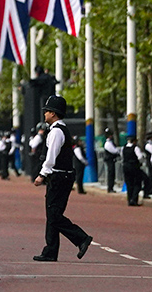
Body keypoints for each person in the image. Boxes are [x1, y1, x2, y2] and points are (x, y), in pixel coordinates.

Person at [32, 95, 93, 262]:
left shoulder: (57, 131)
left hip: (59, 176)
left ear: (54, 113)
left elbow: (51, 157)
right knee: (53, 213)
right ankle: (50, 251)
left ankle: (81, 238)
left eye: (47, 111)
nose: (44, 114)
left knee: (53, 214)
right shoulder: (59, 130)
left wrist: (42, 174)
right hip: (61, 176)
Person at [122, 136, 144, 206]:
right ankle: (134, 200)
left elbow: (122, 156)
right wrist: (141, 162)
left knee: (129, 184)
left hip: (126, 166)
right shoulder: (135, 148)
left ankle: (129, 199)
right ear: (134, 141)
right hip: (134, 166)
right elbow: (140, 157)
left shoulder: (124, 148)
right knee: (137, 183)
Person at [103, 129, 120, 193]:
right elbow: (114, 151)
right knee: (111, 174)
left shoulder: (110, 143)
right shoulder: (108, 143)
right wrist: (118, 151)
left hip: (111, 160)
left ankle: (111, 187)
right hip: (109, 160)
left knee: (112, 174)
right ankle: (110, 188)